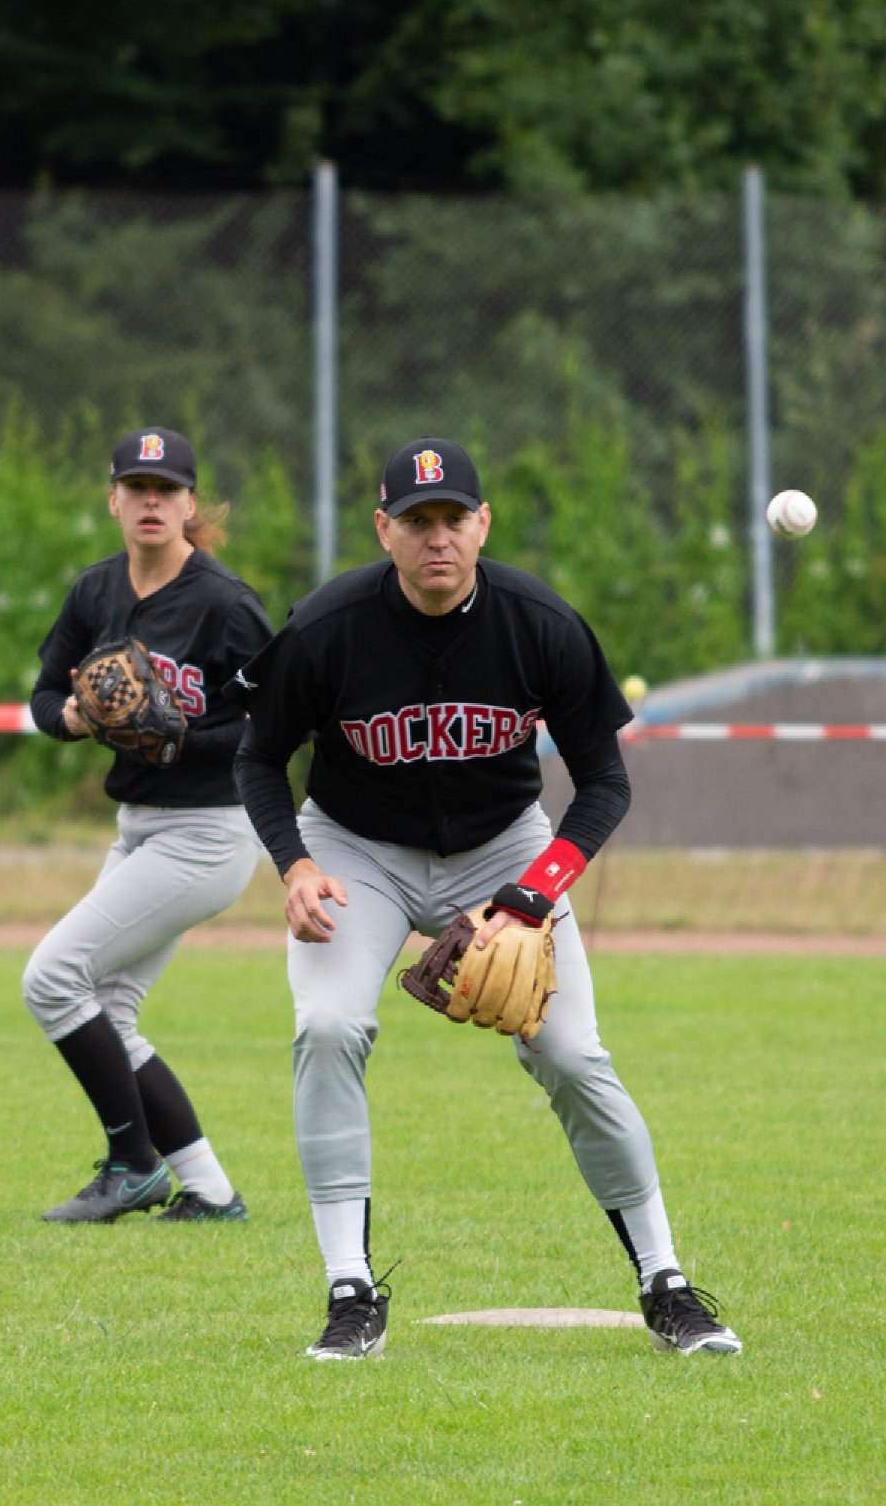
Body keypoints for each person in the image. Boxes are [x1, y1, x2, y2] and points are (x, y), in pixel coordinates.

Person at [233, 437, 742, 1361]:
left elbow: (603, 784)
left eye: (454, 518)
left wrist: (533, 894)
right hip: (357, 847)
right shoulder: (328, 626)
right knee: (330, 1027)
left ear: (483, 525)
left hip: (505, 845)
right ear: (382, 529)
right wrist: (295, 866)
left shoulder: (537, 621)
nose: (438, 538)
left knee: (573, 1053)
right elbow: (257, 756)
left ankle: (666, 1281)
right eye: (417, 521)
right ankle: (350, 1291)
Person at [21, 427, 276, 1223]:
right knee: (107, 1006)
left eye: (168, 489)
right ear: (115, 501)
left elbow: (280, 722)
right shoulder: (95, 591)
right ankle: (208, 1190)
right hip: (136, 826)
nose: (153, 501)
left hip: (210, 831)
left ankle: (134, 1161)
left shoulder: (226, 604)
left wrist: (183, 740)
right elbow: (41, 699)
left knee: (52, 977)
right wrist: (67, 716)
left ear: (191, 504)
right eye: (138, 487)